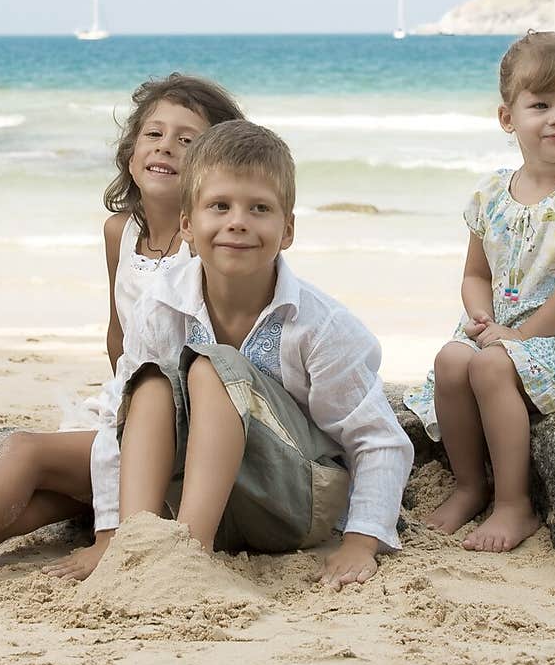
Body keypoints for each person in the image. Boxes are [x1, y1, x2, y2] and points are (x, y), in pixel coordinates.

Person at [0, 73, 244, 602]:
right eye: (153, 134)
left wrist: (118, 514)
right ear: (130, 153)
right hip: (132, 404)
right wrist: (118, 416)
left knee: (27, 453)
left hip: (187, 426)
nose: (166, 147)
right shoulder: (119, 233)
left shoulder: (207, 248)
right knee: (53, 490)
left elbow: (219, 359)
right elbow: (118, 334)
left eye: (187, 140)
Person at [115, 120, 414, 589]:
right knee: (149, 384)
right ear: (187, 225)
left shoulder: (321, 325)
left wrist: (360, 540)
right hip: (205, 500)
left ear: (287, 229)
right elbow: (121, 419)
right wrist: (106, 526)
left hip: (292, 505)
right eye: (220, 206)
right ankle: (134, 549)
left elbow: (378, 439)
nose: (238, 221)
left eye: (259, 208)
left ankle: (186, 559)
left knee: (214, 367)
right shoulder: (160, 303)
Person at [404, 31, 555, 553]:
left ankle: (514, 503)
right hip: (508, 333)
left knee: (488, 366)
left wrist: (519, 337)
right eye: (540, 105)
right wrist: (482, 316)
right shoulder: (490, 194)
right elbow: (475, 273)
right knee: (449, 360)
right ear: (508, 118)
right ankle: (470, 487)